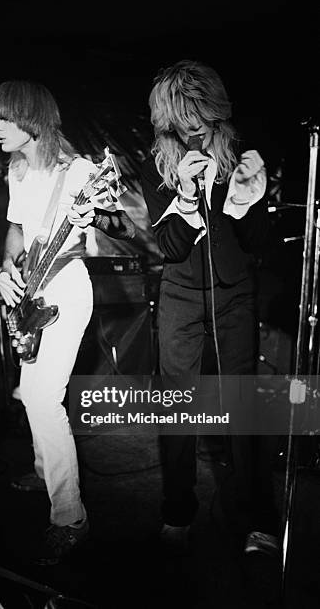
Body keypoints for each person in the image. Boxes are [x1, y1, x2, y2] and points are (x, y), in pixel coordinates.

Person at [0, 80, 135, 564]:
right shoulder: (19, 167)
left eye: (2, 118)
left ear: (28, 118)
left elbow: (125, 224)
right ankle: (46, 468)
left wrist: (102, 217)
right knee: (31, 391)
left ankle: (70, 517)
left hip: (68, 288)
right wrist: (9, 271)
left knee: (43, 397)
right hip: (32, 287)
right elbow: (17, 228)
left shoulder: (80, 171)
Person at [140, 60, 279, 555]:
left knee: (243, 403)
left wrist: (242, 204)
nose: (194, 126)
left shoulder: (240, 154)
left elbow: (260, 242)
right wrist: (182, 194)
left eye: (201, 114)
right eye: (183, 117)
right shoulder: (154, 161)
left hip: (234, 293)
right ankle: (178, 510)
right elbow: (170, 248)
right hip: (179, 294)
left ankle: (260, 517)